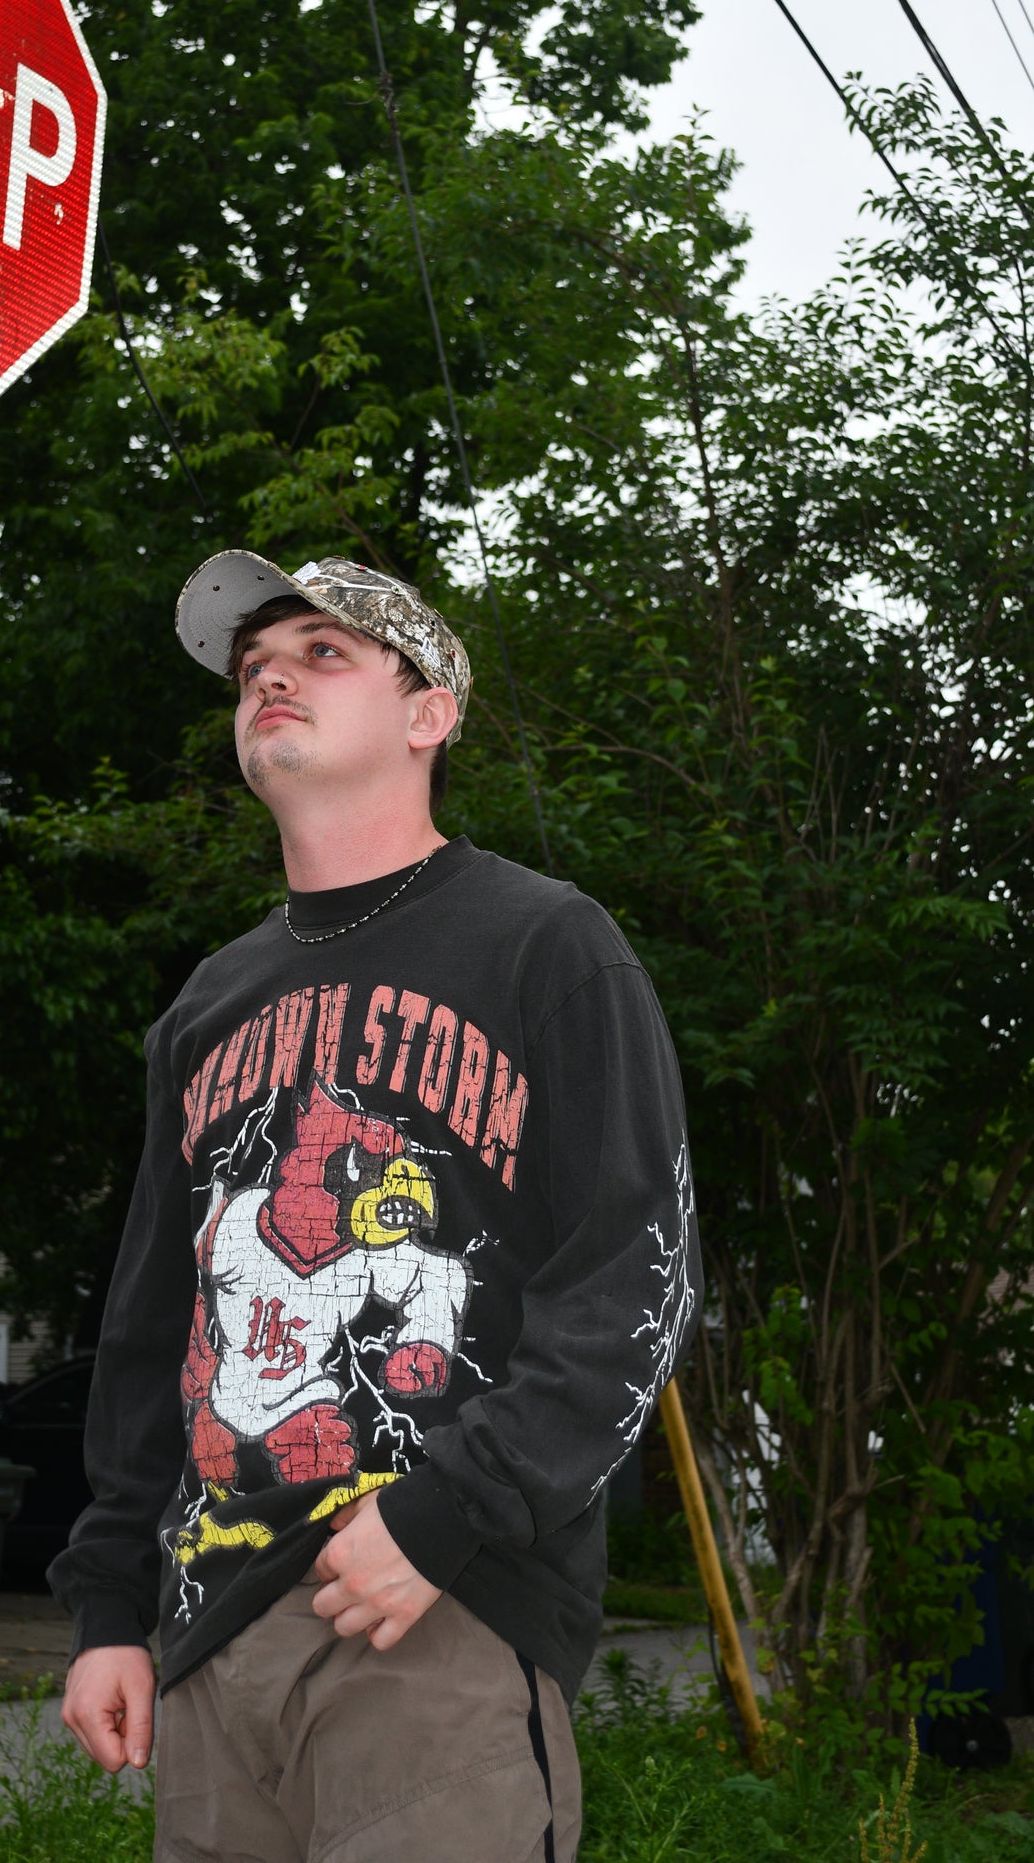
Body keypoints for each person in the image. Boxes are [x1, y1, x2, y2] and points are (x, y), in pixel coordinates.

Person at [53, 551, 701, 1862]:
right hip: (212, 1636)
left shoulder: (546, 945)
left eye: (322, 652)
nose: (270, 677)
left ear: (428, 715)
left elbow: (637, 1270)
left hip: (435, 1610)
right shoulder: (208, 1003)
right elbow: (149, 1327)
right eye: (252, 666)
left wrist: (449, 1512)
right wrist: (109, 1605)